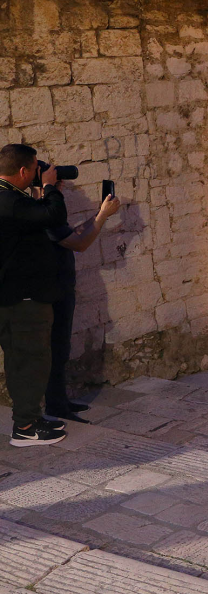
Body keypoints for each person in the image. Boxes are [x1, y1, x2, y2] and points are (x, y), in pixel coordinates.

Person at [0, 144, 68, 446]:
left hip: (10, 297)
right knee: (31, 362)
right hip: (25, 299)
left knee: (19, 361)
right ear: (25, 170)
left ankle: (28, 419)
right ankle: (25, 429)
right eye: (36, 168)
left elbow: (31, 220)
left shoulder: (9, 200)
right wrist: (51, 186)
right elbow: (54, 216)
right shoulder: (10, 201)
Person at [44, 183, 121, 423]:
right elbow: (79, 243)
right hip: (52, 291)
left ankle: (59, 400)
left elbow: (72, 234)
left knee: (61, 347)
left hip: (61, 288)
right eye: (56, 184)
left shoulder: (46, 213)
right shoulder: (42, 212)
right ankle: (55, 406)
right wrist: (101, 217)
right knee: (55, 349)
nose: (61, 187)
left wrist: (99, 215)